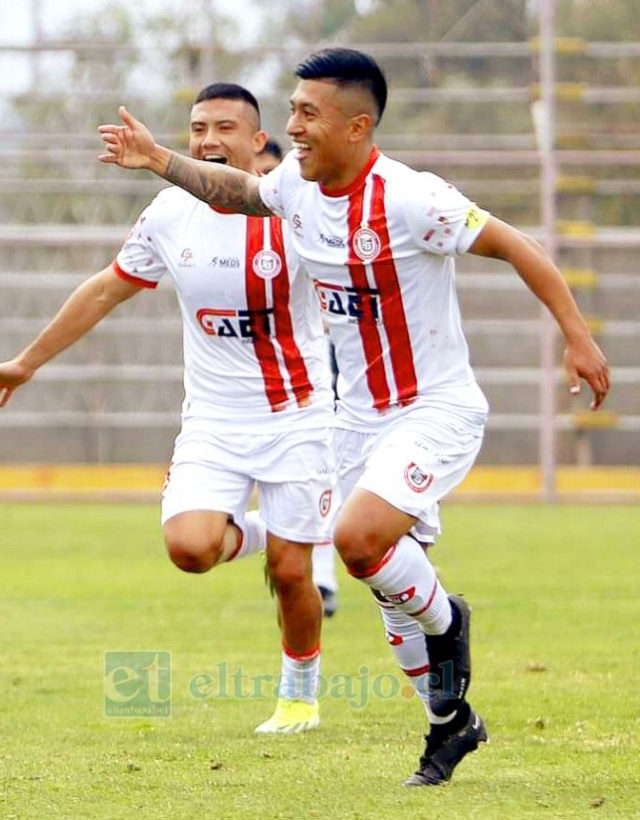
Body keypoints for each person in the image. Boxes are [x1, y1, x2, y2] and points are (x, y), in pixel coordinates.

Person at [97, 48, 610, 786]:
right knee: (383, 581)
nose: (293, 127)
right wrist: (157, 159)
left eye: (308, 114)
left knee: (360, 541)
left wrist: (579, 336)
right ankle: (449, 724)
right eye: (294, 110)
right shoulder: (296, 192)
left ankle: (449, 623)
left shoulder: (412, 198)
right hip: (355, 421)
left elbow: (517, 246)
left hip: (434, 407)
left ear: (357, 125)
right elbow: (233, 190)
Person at [0, 83, 339, 735]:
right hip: (213, 422)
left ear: (258, 142)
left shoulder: (296, 207)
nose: (209, 140)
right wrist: (27, 362)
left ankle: (299, 696)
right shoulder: (169, 216)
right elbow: (106, 289)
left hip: (298, 416)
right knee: (190, 549)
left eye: (226, 128)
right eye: (199, 128)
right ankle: (275, 529)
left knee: (290, 572)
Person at [253, 133, 341, 617]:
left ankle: (323, 578)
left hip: (322, 363)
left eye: (271, 177)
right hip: (259, 377)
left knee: (324, 471)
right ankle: (290, 538)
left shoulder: (305, 216)